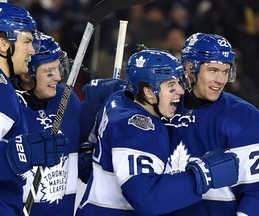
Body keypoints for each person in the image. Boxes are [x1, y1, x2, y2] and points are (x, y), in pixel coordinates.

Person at [76, 49, 239, 215]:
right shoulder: (138, 128)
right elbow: (147, 199)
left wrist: (89, 146)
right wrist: (202, 175)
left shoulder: (118, 98)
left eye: (179, 82)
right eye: (171, 86)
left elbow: (93, 124)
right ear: (148, 91)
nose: (181, 91)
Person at [165, 32, 259, 216]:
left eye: (225, 71)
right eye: (213, 70)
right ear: (189, 68)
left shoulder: (245, 118)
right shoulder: (163, 109)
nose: (220, 80)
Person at [0, 2, 67, 216]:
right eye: (26, 41)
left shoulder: (3, 85)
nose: (32, 50)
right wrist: (16, 154)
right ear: (2, 43)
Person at [15, 33, 81, 216]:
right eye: (49, 72)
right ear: (26, 75)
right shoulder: (9, 108)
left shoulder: (67, 100)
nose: (58, 77)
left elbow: (85, 146)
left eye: (59, 69)